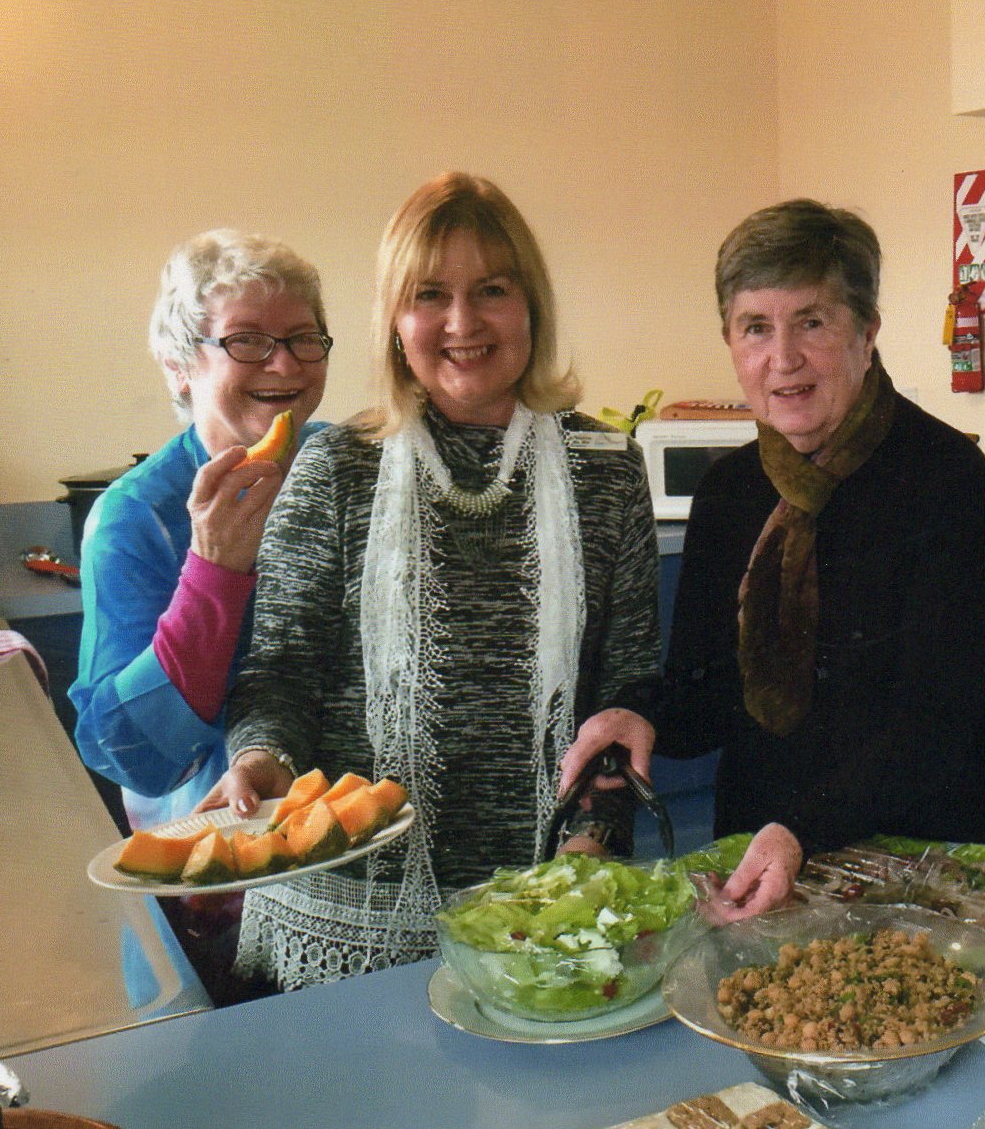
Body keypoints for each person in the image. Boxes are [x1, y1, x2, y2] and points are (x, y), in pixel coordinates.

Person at [201, 173, 660, 990]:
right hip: (346, 923)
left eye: (492, 289)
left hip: (545, 906)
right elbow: (282, 671)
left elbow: (623, 691)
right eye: (430, 294)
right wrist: (264, 758)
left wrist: (591, 839)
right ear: (394, 320)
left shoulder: (607, 471)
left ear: (532, 307)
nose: (462, 322)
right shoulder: (334, 466)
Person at [562, 199, 985, 922]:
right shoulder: (730, 492)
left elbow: (941, 718)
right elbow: (708, 695)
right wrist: (637, 716)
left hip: (921, 871)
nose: (783, 359)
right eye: (756, 328)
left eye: (812, 322)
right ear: (730, 342)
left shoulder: (946, 479)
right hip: (763, 863)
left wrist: (806, 829)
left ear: (867, 332)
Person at [72, 229, 332, 831]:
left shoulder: (349, 468)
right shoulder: (135, 518)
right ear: (179, 364)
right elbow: (133, 756)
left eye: (303, 339)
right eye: (247, 341)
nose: (286, 363)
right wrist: (212, 573)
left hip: (364, 837)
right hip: (223, 858)